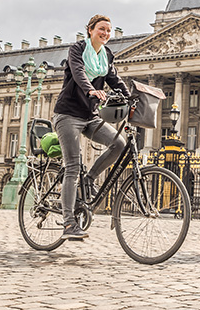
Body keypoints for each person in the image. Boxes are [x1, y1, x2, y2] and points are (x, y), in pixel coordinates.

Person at [53, 14, 130, 240]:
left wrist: (133, 97)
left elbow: (115, 79)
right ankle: (68, 224)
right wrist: (90, 89)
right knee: (73, 166)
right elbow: (77, 73)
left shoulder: (106, 55)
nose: (105, 33)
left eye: (108, 30)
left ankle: (90, 179)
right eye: (101, 29)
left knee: (119, 143)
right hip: (68, 114)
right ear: (90, 30)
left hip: (90, 115)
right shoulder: (77, 50)